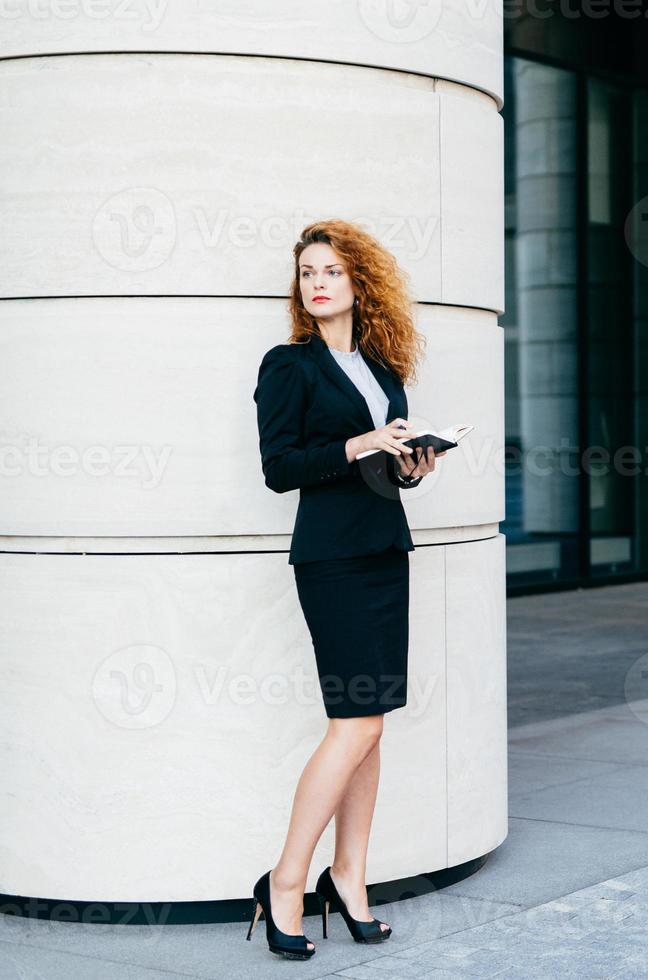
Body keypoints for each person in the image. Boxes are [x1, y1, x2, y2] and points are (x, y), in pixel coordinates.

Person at [245, 219, 437, 960]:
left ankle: (350, 877)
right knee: (352, 723)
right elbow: (280, 466)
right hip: (331, 562)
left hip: (386, 550)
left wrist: (412, 466)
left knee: (374, 721)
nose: (316, 283)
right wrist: (359, 443)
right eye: (306, 273)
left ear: (360, 282)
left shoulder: (381, 367)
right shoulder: (287, 365)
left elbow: (382, 469)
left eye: (330, 271)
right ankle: (286, 880)